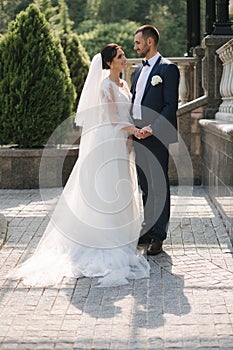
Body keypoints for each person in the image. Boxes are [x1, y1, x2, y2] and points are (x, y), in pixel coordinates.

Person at [7, 44, 150, 287]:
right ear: (109, 63)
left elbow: (125, 117)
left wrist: (129, 137)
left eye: (124, 55)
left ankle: (121, 236)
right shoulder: (105, 86)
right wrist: (135, 132)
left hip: (122, 141)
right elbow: (113, 119)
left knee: (121, 188)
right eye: (120, 56)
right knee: (106, 189)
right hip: (107, 142)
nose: (125, 58)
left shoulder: (124, 85)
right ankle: (101, 239)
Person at [131, 25, 180, 255]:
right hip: (137, 136)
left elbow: (171, 106)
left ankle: (159, 236)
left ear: (150, 42)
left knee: (159, 185)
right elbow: (133, 103)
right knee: (145, 185)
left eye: (138, 42)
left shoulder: (168, 69)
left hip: (157, 136)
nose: (135, 46)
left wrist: (153, 128)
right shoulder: (137, 72)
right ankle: (148, 228)